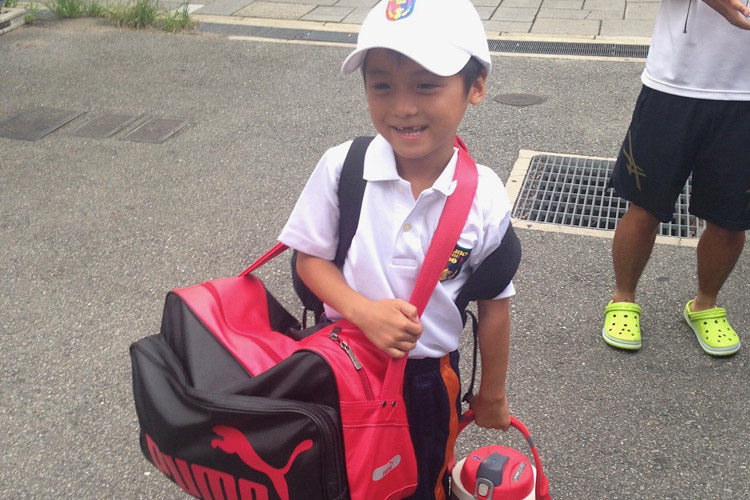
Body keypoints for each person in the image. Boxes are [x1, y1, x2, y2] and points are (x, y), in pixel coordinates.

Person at [279, 0, 518, 497]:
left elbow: (494, 303)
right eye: (381, 85)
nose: (402, 107)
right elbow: (310, 259)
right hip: (337, 364)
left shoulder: (486, 196)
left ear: (475, 86)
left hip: (427, 381)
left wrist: (492, 393)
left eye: (426, 85)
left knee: (419, 480)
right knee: (330, 476)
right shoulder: (344, 167)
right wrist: (362, 311)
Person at [603, 0, 750, 356]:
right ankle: (623, 298)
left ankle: (705, 304)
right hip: (673, 85)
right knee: (644, 206)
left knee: (730, 219)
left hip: (745, 95)